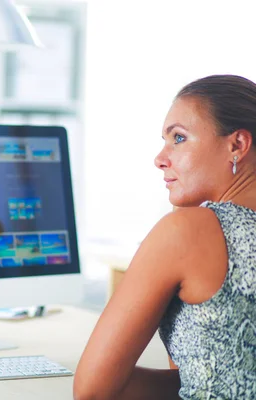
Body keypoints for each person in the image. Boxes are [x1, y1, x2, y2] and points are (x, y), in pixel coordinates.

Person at [73, 74, 256, 400]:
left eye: (179, 138)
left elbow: (93, 392)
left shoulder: (185, 233)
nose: (160, 158)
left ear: (237, 145)